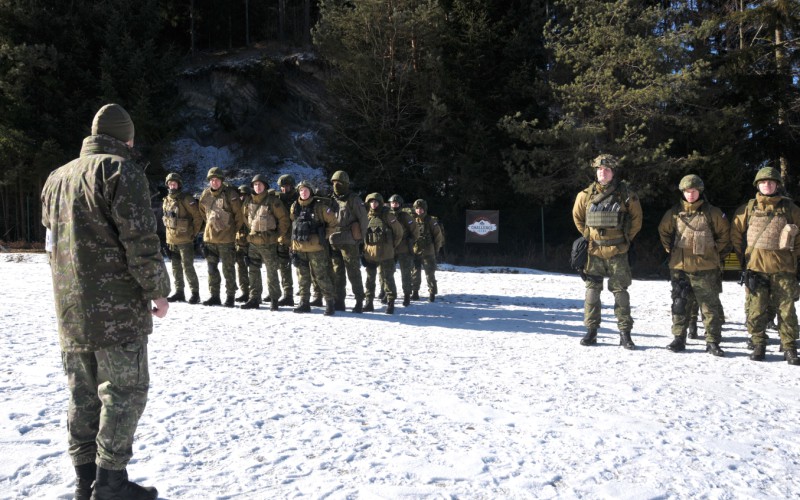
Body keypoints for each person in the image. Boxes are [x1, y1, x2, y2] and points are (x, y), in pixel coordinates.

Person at [41, 103, 169, 500]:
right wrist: (157, 290)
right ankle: (110, 482)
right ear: (125, 138)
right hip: (115, 311)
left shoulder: (56, 178)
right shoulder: (120, 171)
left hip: (71, 308)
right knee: (124, 392)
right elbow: (141, 241)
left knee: (82, 394)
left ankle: (85, 480)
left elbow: (52, 241)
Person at [572, 153, 642, 349]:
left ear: (613, 172)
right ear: (596, 172)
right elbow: (578, 218)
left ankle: (625, 334)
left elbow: (636, 220)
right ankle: (591, 332)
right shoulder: (585, 195)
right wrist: (589, 235)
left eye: (607, 170)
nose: (603, 172)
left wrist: (625, 239)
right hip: (594, 252)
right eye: (600, 169)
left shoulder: (626, 195)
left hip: (618, 252)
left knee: (621, 294)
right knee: (592, 293)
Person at [731, 167, 800, 365]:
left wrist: (794, 259)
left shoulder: (791, 209)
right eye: (763, 182)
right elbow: (735, 233)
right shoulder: (749, 208)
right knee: (756, 309)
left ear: (777, 184)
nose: (767, 185)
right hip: (756, 268)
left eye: (770, 182)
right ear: (757, 185)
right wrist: (741, 259)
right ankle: (758, 343)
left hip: (784, 269)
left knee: (786, 310)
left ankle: (789, 348)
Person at [657, 174, 730, 356]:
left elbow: (724, 235)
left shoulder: (712, 212)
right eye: (687, 191)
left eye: (694, 191)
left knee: (709, 306)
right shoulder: (673, 213)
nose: (691, 195)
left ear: (700, 191)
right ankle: (678, 338)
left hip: (706, 268)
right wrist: (670, 250)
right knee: (680, 304)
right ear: (683, 192)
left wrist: (711, 252)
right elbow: (663, 231)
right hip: (680, 267)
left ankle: (712, 341)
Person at [241, 174, 290, 310]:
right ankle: (254, 298)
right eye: (255, 185)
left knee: (271, 271)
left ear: (265, 186)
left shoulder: (273, 201)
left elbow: (284, 219)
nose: (257, 187)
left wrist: (277, 236)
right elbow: (245, 218)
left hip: (269, 243)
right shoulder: (248, 201)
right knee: (253, 271)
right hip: (253, 242)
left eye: (260, 184)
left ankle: (274, 299)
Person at [289, 180, 338, 315]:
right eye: (301, 190)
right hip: (299, 248)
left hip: (316, 249)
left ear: (310, 191)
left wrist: (324, 236)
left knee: (321, 276)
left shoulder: (320, 207)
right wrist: (292, 247)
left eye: (306, 190)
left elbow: (333, 222)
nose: (303, 193)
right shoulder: (295, 206)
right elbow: (294, 226)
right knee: (302, 278)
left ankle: (329, 303)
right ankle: (304, 302)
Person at [198, 167, 244, 307]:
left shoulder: (230, 194)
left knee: (228, 269)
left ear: (222, 180)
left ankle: (230, 296)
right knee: (212, 269)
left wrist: (232, 230)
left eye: (217, 180)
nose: (214, 182)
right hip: (210, 238)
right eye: (212, 180)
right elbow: (202, 212)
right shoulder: (205, 194)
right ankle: (214, 295)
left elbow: (239, 215)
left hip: (226, 239)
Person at [328, 170, 369, 312]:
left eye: (339, 183)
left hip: (350, 241)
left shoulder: (354, 199)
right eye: (334, 182)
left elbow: (363, 221)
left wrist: (361, 240)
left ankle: (359, 301)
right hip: (334, 240)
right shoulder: (330, 199)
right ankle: (339, 301)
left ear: (346, 184)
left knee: (353, 272)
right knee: (337, 273)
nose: (336, 185)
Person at [162, 172, 203, 304]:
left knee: (188, 267)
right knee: (175, 268)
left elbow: (197, 217)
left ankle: (195, 293)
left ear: (179, 185)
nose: (172, 185)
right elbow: (167, 220)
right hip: (172, 240)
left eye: (174, 183)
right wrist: (166, 240)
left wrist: (194, 233)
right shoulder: (167, 200)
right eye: (170, 183)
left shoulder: (186, 199)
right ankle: (179, 292)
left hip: (185, 240)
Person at [362, 193, 405, 313]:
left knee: (388, 279)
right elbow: (363, 235)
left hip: (386, 254)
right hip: (370, 254)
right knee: (370, 279)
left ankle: (390, 303)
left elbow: (399, 232)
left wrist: (391, 247)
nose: (373, 204)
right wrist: (363, 251)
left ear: (380, 203)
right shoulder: (367, 216)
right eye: (371, 202)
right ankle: (368, 302)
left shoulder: (388, 216)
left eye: (376, 202)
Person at [411, 199, 445, 302]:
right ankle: (415, 292)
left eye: (421, 209)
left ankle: (432, 293)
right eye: (417, 209)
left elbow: (438, 237)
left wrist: (435, 250)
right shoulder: (412, 220)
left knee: (430, 274)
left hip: (428, 252)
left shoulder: (431, 220)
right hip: (415, 251)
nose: (419, 211)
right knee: (415, 273)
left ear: (424, 209)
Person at [388, 194, 418, 306]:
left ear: (400, 204)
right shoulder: (387, 215)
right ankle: (389, 295)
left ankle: (406, 295)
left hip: (404, 249)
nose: (394, 205)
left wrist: (410, 241)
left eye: (396, 203)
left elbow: (415, 232)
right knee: (388, 272)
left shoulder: (405, 216)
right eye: (392, 203)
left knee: (406, 274)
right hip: (390, 248)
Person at [276, 174, 298, 305]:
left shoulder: (298, 199)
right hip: (282, 238)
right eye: (283, 187)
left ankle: (312, 295)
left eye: (287, 186)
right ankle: (287, 294)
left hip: (297, 239)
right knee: (283, 267)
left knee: (302, 269)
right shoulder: (277, 199)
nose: (285, 189)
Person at [234, 185, 252, 302]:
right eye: (240, 195)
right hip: (239, 242)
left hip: (250, 242)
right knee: (241, 268)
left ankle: (253, 293)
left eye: (244, 195)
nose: (242, 197)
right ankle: (245, 291)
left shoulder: (250, 207)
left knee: (253, 270)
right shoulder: (236, 208)